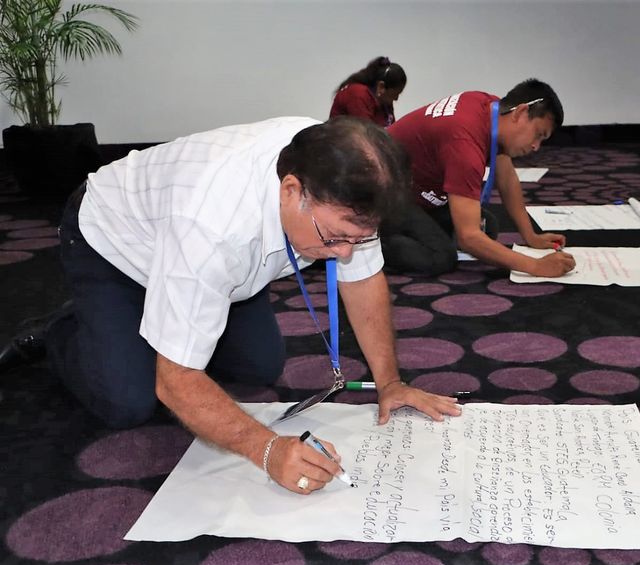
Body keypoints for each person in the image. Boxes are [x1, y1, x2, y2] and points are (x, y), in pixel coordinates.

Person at [0, 116, 460, 494]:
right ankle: (63, 329)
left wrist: (391, 382)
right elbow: (177, 383)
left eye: (359, 239)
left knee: (259, 366)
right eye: (335, 238)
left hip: (218, 268)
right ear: (291, 191)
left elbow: (363, 281)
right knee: (129, 400)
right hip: (115, 242)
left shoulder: (343, 174)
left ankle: (151, 319)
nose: (344, 253)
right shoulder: (212, 223)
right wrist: (267, 450)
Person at [381, 78, 576, 277]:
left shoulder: (491, 108)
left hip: (416, 190)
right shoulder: (465, 141)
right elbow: (468, 237)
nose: (536, 146)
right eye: (538, 134)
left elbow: (507, 178)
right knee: (440, 257)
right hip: (383, 194)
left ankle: (409, 232)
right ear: (520, 112)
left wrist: (530, 236)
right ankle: (374, 241)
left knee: (486, 226)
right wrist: (535, 266)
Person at [329, 57, 406, 128]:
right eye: (395, 94)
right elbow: (366, 133)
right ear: (381, 86)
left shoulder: (385, 101)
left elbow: (392, 129)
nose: (396, 98)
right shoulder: (358, 94)